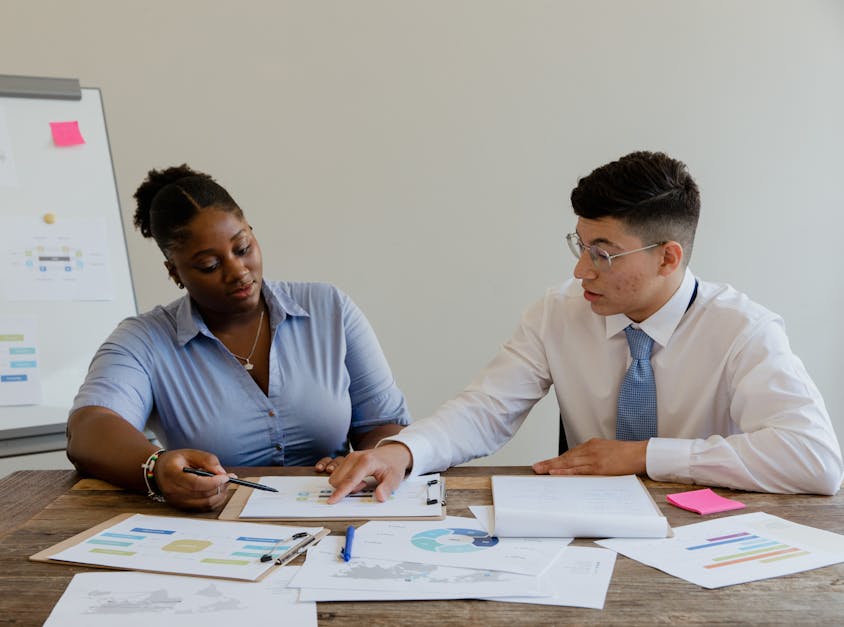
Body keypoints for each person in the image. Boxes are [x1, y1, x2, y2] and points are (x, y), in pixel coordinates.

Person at [328, 150, 843, 502]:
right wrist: (404, 450)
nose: (581, 271)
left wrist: (643, 457)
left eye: (604, 253)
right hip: (585, 530)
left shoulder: (743, 330)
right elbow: (485, 409)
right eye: (581, 245)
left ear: (668, 257)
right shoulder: (559, 312)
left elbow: (815, 459)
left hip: (708, 536)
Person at [67, 164, 409, 510]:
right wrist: (156, 468)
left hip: (336, 512)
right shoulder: (144, 340)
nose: (238, 271)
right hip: (214, 526)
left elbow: (384, 422)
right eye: (210, 266)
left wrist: (369, 460)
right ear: (175, 272)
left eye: (242, 248)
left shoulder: (329, 308)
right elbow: (88, 431)